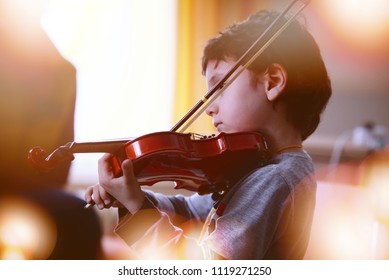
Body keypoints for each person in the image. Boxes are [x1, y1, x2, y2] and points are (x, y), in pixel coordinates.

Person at [85, 10, 332, 259]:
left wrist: (139, 208)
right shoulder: (257, 168)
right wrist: (133, 199)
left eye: (220, 87)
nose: (209, 108)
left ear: (272, 82)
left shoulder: (276, 178)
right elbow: (192, 212)